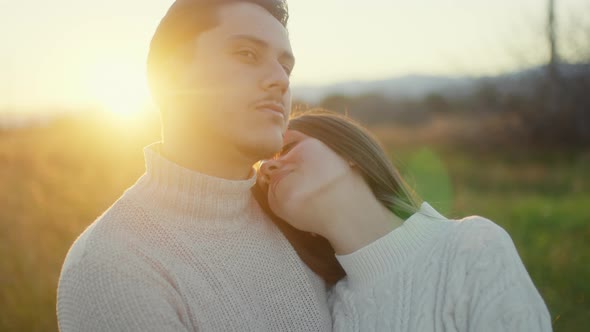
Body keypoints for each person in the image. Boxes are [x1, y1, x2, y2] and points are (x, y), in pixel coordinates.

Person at [57, 1, 334, 331]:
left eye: (285, 68)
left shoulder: (300, 215)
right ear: (171, 76)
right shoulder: (112, 266)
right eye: (247, 54)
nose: (280, 81)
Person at [258, 109, 553, 331]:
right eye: (261, 178)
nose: (269, 167)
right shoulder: (329, 311)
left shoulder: (472, 246)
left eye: (287, 147)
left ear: (350, 152)